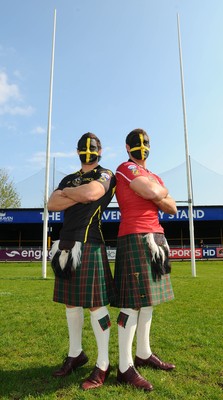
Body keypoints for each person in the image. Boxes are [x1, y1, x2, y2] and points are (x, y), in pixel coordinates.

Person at [48, 132, 116, 390]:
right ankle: (75, 354)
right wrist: (72, 192)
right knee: (70, 303)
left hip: (91, 243)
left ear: (101, 150)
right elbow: (52, 203)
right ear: (78, 151)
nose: (89, 151)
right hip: (66, 242)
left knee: (96, 306)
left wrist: (68, 193)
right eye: (85, 148)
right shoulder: (69, 177)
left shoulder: (107, 174)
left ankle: (103, 364)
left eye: (94, 147)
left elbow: (92, 193)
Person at [111, 128, 177, 392]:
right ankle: (125, 367)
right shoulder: (125, 168)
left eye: (146, 142)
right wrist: (158, 193)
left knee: (149, 302)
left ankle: (143, 353)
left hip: (157, 238)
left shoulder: (154, 175)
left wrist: (157, 193)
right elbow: (151, 192)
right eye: (137, 143)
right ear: (127, 147)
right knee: (131, 304)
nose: (142, 146)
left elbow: (171, 207)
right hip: (135, 237)